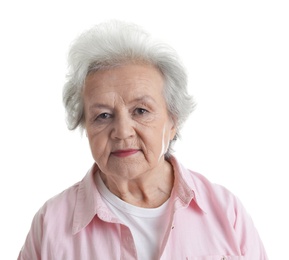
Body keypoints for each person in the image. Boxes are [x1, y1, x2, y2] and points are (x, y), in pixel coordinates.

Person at [18, 20, 268, 260]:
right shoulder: (50, 224)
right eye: (103, 115)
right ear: (85, 125)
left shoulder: (226, 212)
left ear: (173, 121)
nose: (122, 132)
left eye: (141, 111)